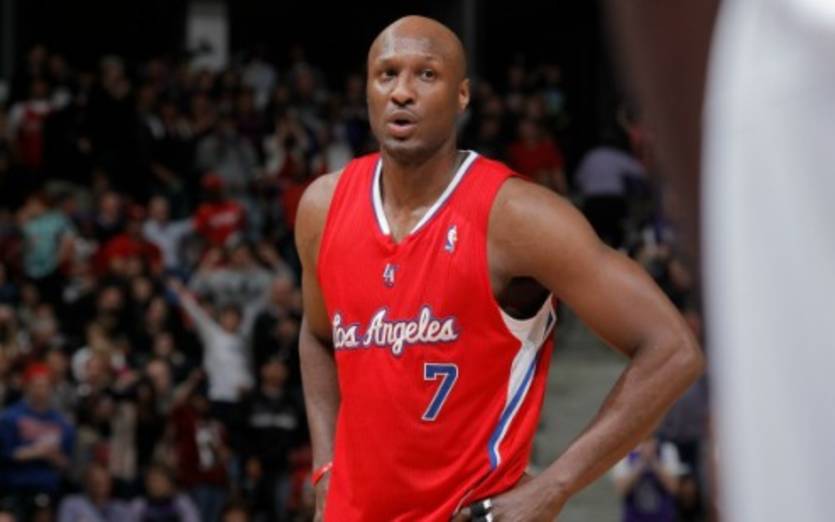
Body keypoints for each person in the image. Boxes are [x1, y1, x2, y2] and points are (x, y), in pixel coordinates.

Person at [295, 15, 703, 521]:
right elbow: (317, 336)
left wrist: (554, 485)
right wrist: (325, 467)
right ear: (368, 91)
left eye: (426, 74)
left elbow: (673, 349)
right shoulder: (322, 208)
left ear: (462, 96)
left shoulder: (517, 217)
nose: (402, 92)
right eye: (388, 74)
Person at [0, 363, 75, 519]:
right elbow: (5, 454)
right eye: (36, 386)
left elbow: (67, 463)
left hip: (47, 488)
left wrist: (55, 457)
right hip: (14, 486)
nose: (41, 391)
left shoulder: (62, 423)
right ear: (27, 387)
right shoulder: (9, 417)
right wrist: (37, 452)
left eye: (45, 386)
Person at [611, 436, 684, 522]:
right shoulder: (625, 452)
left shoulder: (667, 449)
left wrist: (653, 461)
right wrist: (641, 461)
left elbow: (674, 488)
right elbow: (622, 490)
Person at [56, 463, 133, 522]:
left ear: (110, 484)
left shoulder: (120, 508)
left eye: (103, 482)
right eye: (94, 481)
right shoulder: (71, 504)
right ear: (86, 482)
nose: (98, 485)